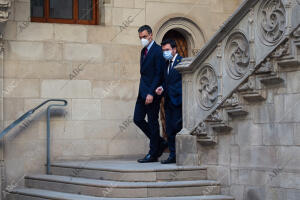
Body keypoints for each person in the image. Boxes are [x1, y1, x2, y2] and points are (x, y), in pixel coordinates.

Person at [134, 25, 168, 163]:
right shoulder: (143, 51)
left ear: (150, 36)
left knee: (153, 122)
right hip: (142, 92)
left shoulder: (158, 51)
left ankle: (153, 153)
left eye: (144, 37)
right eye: (140, 37)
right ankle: (160, 142)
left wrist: (151, 93)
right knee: (137, 119)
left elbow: (158, 74)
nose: (142, 39)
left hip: (151, 93)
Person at [156, 39, 182, 164]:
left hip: (178, 101)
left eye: (167, 50)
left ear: (174, 49)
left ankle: (180, 154)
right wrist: (162, 88)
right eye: (163, 50)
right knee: (170, 129)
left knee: (177, 128)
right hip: (168, 101)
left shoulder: (181, 62)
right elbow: (167, 82)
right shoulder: (166, 64)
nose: (165, 52)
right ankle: (172, 155)